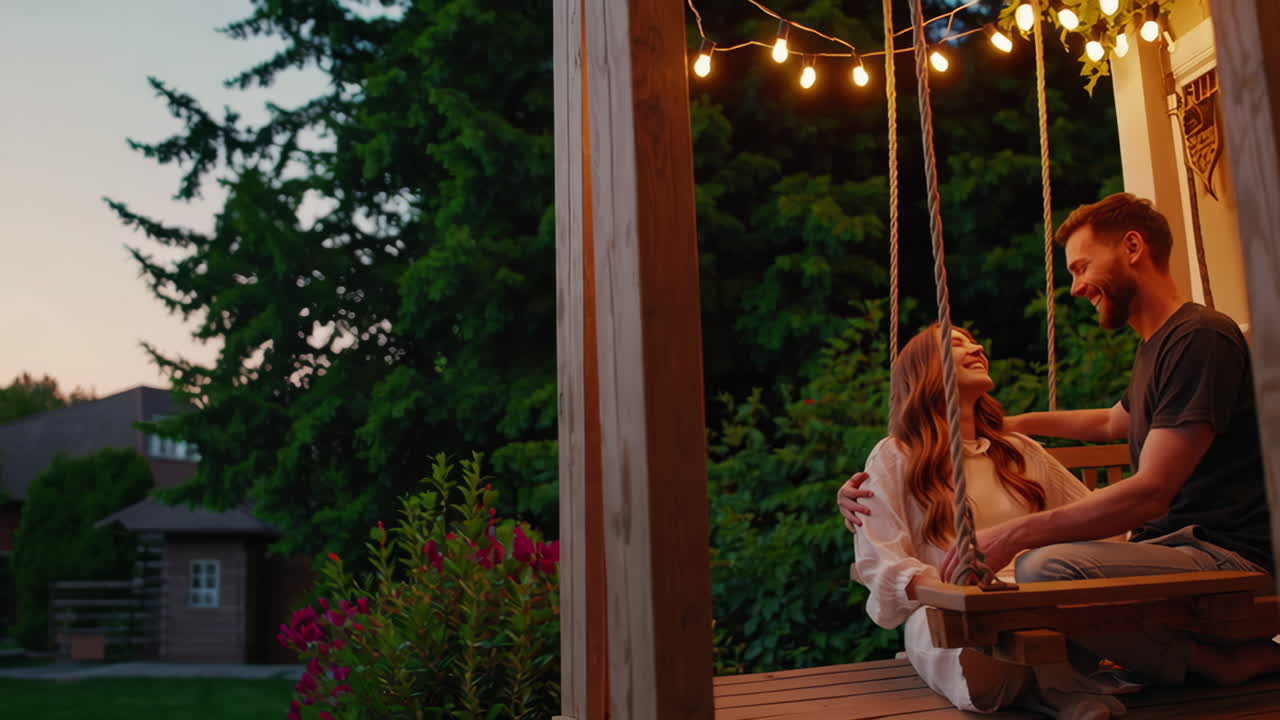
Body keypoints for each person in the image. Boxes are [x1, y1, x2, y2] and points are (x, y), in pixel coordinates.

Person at [841, 193, 1280, 688]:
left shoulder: (1199, 338)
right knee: (1037, 583)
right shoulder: (1157, 350)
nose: (1075, 288)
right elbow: (1112, 423)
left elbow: (1152, 490)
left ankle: (1212, 661)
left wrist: (1013, 535)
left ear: (1132, 247)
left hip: (1221, 551)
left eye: (1081, 266)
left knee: (1045, 570)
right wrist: (1019, 425)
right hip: (1174, 545)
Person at [850, 322, 1127, 716]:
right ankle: (1057, 689)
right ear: (927, 369)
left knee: (1049, 616)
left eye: (975, 340)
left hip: (1039, 605)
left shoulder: (1019, 452)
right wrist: (961, 590)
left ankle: (1046, 690)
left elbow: (1093, 516)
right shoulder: (896, 456)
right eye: (958, 343)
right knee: (990, 662)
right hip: (954, 617)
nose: (978, 347)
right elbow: (881, 562)